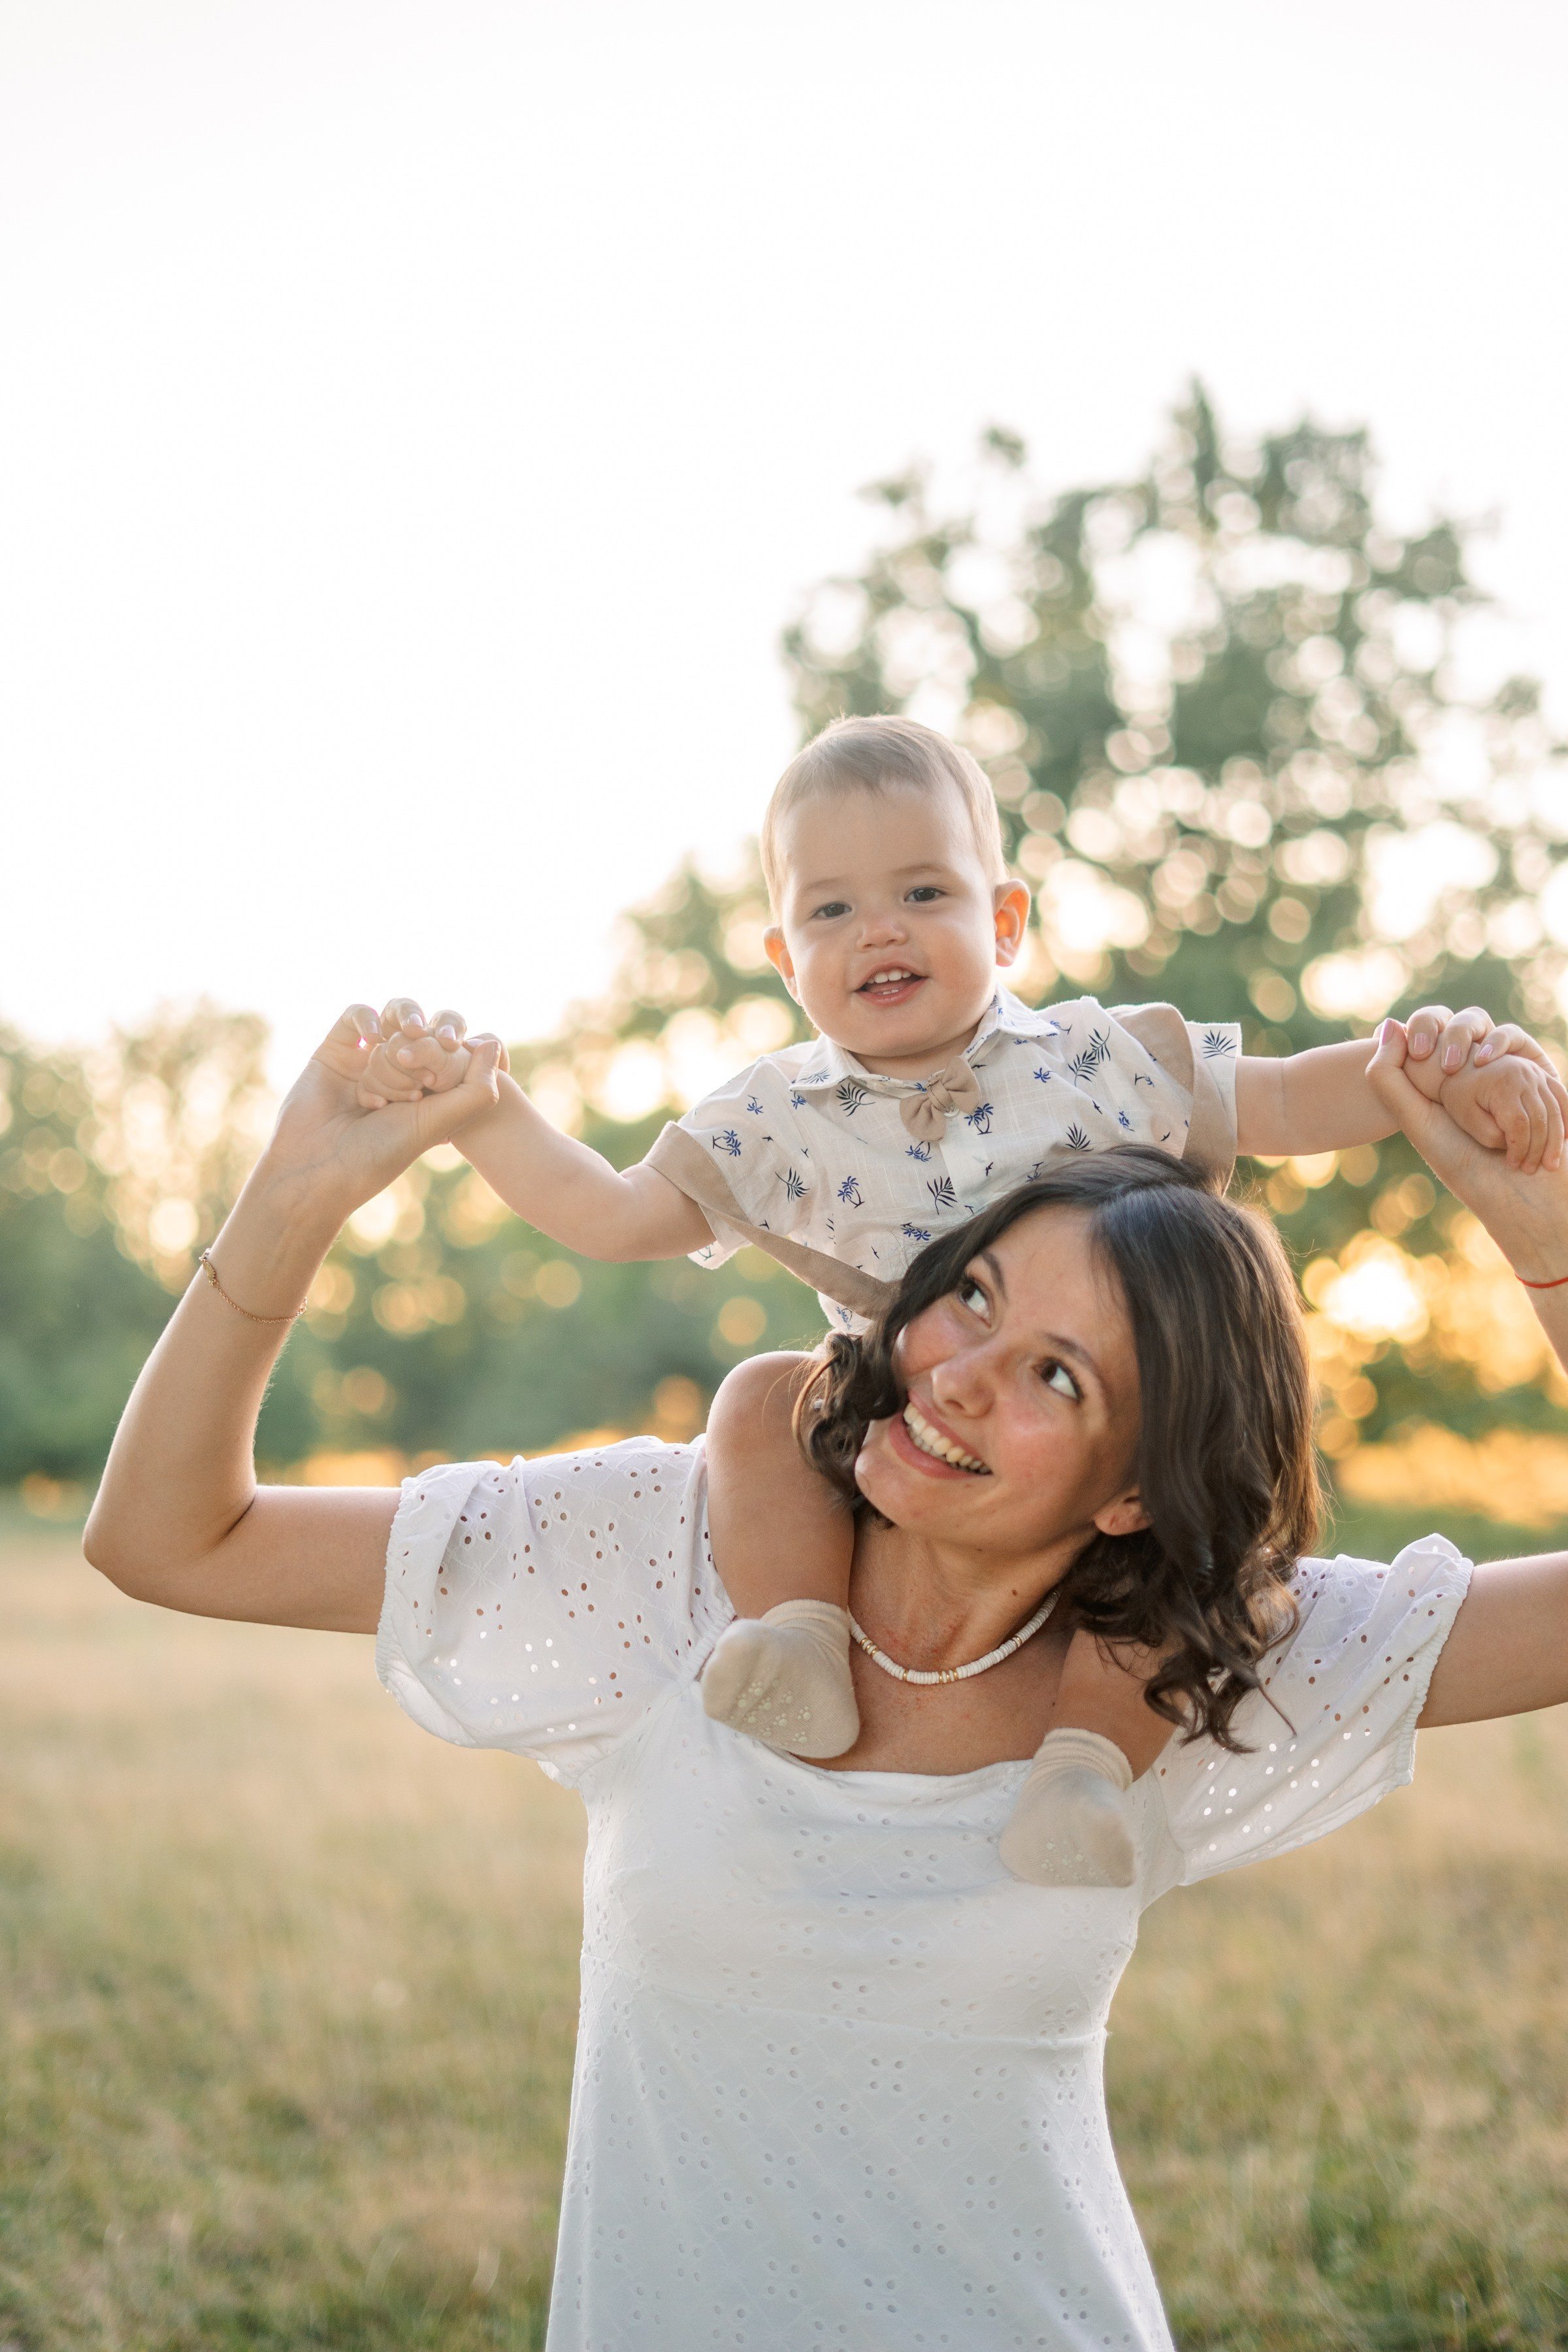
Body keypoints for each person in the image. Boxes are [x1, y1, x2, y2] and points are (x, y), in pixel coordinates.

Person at [86, 1009, 1568, 2352]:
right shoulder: (679, 1555)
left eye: (1062, 1377)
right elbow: (173, 1538)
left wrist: (1544, 1239)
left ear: (1133, 1492)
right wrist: (292, 1204)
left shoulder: (1187, 1662)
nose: (961, 1373)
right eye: (973, 1295)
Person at [343, 715, 1563, 1884]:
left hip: (1109, 1444)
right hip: (893, 1413)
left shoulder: (1091, 1063)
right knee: (764, 1397)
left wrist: (1431, 1076)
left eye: (924, 892)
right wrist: (485, 1114)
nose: (881, 929)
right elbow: (611, 1217)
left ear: (1006, 919)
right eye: (831, 908)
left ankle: (1087, 1770)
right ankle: (804, 1632)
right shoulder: (779, 1116)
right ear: (784, 957)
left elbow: (1290, 1102)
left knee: (1202, 1576)